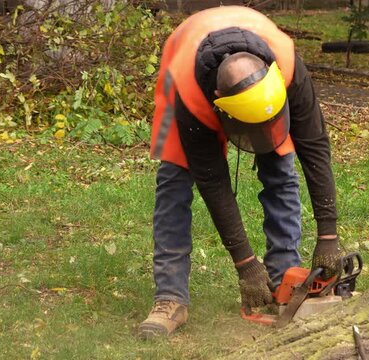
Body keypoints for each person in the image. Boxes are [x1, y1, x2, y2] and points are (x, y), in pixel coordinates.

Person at [138, 5, 342, 339]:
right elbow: (213, 182)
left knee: (281, 167)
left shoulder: (288, 65)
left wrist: (329, 235)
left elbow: (315, 146)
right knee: (174, 181)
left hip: (261, 82)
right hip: (183, 69)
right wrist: (245, 263)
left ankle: (283, 279)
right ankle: (170, 298)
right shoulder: (186, 90)